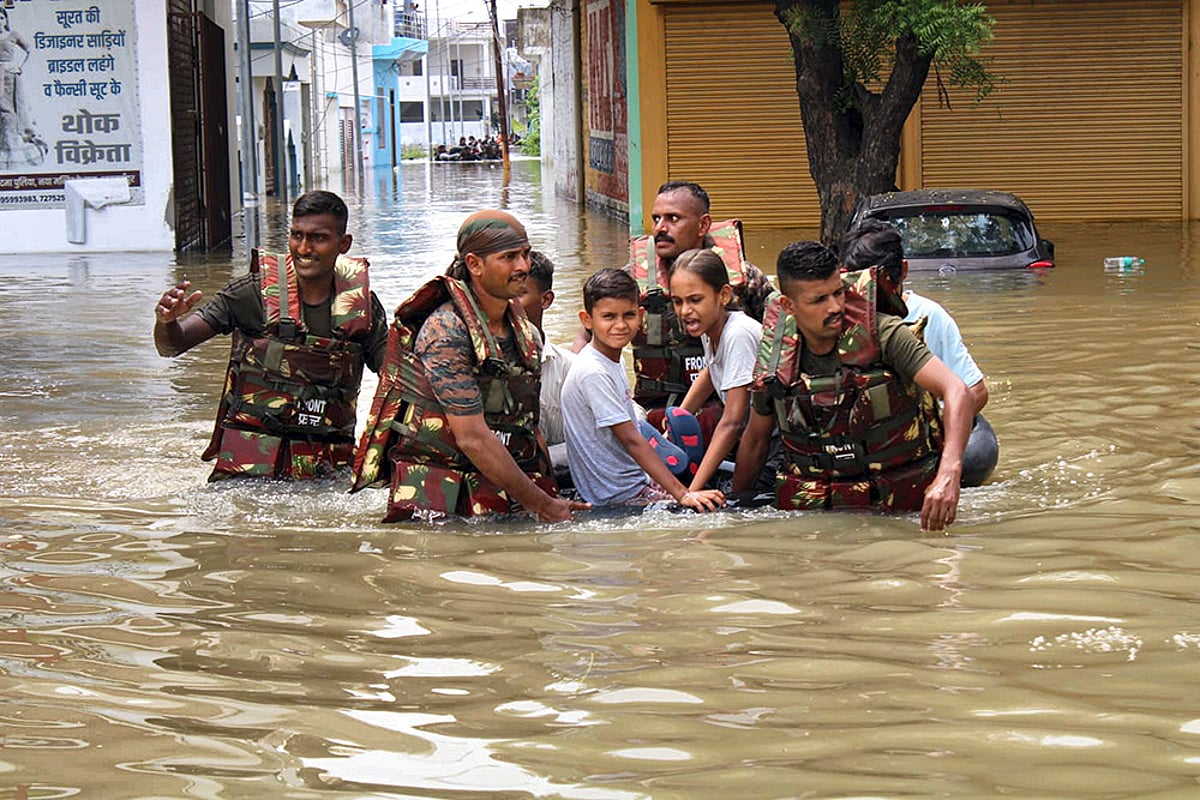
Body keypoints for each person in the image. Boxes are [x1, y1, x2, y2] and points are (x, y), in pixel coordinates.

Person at [351, 210, 588, 523]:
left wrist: (549, 495)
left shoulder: (523, 330)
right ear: (475, 264)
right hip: (442, 503)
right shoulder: (445, 330)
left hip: (505, 493)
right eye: (509, 257)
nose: (523, 267)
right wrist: (543, 505)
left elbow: (529, 425)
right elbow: (471, 437)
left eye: (526, 255)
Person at [731, 241, 972, 532]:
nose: (835, 307)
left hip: (899, 501)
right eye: (819, 300)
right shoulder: (775, 357)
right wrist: (736, 510)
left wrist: (949, 472)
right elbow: (756, 441)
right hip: (815, 507)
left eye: (838, 293)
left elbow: (957, 391)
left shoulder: (884, 333)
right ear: (788, 306)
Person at [153, 190, 388, 481]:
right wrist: (166, 322)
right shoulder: (250, 294)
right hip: (247, 468)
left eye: (318, 238)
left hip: (326, 468)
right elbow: (173, 345)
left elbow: (394, 378)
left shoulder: (361, 309)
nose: (303, 248)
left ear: (344, 244)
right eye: (296, 235)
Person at [574, 180, 776, 444]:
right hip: (655, 408)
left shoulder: (743, 277)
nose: (660, 228)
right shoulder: (632, 281)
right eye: (656, 219)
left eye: (673, 219)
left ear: (703, 225)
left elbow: (780, 330)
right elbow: (587, 335)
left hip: (728, 405)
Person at [840, 219, 998, 486]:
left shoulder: (929, 316)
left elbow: (974, 392)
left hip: (918, 439)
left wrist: (934, 436)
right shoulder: (830, 317)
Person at [561, 268, 725, 512]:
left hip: (632, 483)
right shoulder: (593, 371)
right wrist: (682, 494)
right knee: (708, 513)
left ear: (640, 316)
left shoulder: (608, 360)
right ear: (587, 320)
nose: (620, 325)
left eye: (628, 315)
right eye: (608, 317)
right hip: (618, 496)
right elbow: (631, 440)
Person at [666, 248, 762, 491]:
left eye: (695, 300)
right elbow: (711, 371)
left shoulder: (738, 334)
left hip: (769, 450)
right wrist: (676, 419)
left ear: (724, 295)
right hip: (750, 442)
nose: (685, 311)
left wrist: (690, 493)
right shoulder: (712, 329)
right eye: (678, 301)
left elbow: (733, 422)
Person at [517, 251, 574, 470]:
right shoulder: (481, 366)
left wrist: (545, 457)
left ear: (546, 300)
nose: (509, 305)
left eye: (520, 295)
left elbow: (632, 415)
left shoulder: (570, 368)